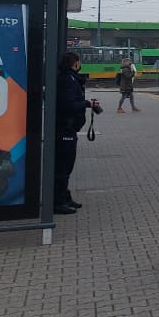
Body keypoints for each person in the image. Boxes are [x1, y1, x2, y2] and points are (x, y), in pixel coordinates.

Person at [54, 52, 98, 215]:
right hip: (64, 128)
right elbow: (68, 104)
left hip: (69, 128)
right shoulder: (67, 80)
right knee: (63, 166)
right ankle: (57, 202)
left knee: (66, 166)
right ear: (76, 64)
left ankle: (65, 196)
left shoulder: (69, 79)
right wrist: (86, 103)